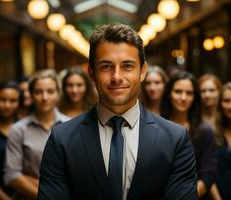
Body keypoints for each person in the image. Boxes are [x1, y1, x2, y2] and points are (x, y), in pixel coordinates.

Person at [38, 24, 197, 200]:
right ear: (91, 73)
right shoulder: (62, 139)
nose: (116, 77)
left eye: (127, 66)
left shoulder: (175, 139)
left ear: (142, 71)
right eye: (106, 66)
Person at [4, 69, 70, 200]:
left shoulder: (71, 126)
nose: (44, 97)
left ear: (58, 94)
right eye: (38, 92)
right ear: (31, 95)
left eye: (50, 91)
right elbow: (11, 175)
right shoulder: (18, 129)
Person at [161, 71, 217, 199]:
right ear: (169, 94)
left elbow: (208, 172)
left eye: (189, 93)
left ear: (195, 98)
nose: (183, 98)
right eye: (178, 92)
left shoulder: (204, 131)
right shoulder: (155, 127)